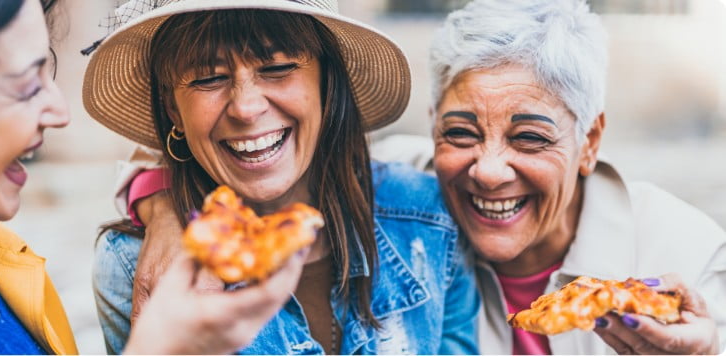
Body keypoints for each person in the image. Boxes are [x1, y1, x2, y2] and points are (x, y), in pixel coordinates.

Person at [83, 0, 480, 354]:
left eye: (277, 68)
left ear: (327, 81)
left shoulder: (430, 220)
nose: (246, 108)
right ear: (173, 109)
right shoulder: (134, 266)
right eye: (208, 78)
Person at [0, 0, 306, 354]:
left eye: (278, 68)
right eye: (27, 84)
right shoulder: (127, 263)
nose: (61, 112)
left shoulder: (1, 261)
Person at [424, 0, 726, 354]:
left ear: (590, 142)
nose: (489, 173)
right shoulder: (391, 209)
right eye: (460, 133)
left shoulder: (690, 254)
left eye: (530, 138)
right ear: (432, 126)